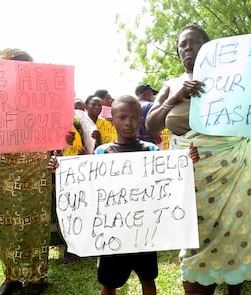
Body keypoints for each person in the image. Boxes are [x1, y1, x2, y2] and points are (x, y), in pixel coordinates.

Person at [145, 24, 251, 295]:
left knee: (235, 230)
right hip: (192, 177)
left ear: (209, 48)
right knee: (195, 239)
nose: (187, 49)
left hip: (235, 170)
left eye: (194, 43)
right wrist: (176, 97)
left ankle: (235, 284)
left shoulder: (231, 79)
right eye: (182, 45)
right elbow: (151, 124)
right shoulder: (171, 85)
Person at [48, 95, 199, 295]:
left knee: (148, 279)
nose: (128, 122)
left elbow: (169, 179)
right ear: (113, 120)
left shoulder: (151, 151)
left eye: (134, 117)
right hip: (112, 232)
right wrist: (60, 170)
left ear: (141, 120)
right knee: (109, 284)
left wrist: (187, 162)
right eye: (122, 117)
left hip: (145, 231)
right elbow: (87, 183)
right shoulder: (102, 153)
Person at [0, 48, 74, 295]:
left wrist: (64, 138)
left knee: (36, 223)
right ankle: (11, 276)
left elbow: (58, 138)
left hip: (35, 170)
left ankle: (37, 278)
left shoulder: (42, 99)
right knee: (6, 226)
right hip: (2, 173)